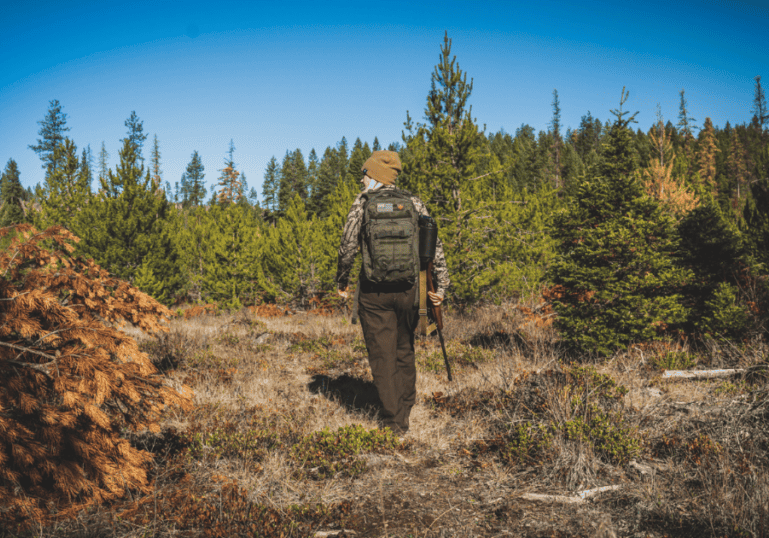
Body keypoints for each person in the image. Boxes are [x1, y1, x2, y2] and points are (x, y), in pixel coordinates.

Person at [336, 150, 450, 435]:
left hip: (374, 293)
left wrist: (342, 280)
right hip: (410, 289)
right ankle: (406, 406)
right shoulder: (413, 201)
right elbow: (434, 245)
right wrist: (442, 285)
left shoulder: (362, 203)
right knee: (403, 348)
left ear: (374, 175)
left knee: (381, 354)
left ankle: (394, 422)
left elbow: (348, 244)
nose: (361, 180)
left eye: (364, 174)